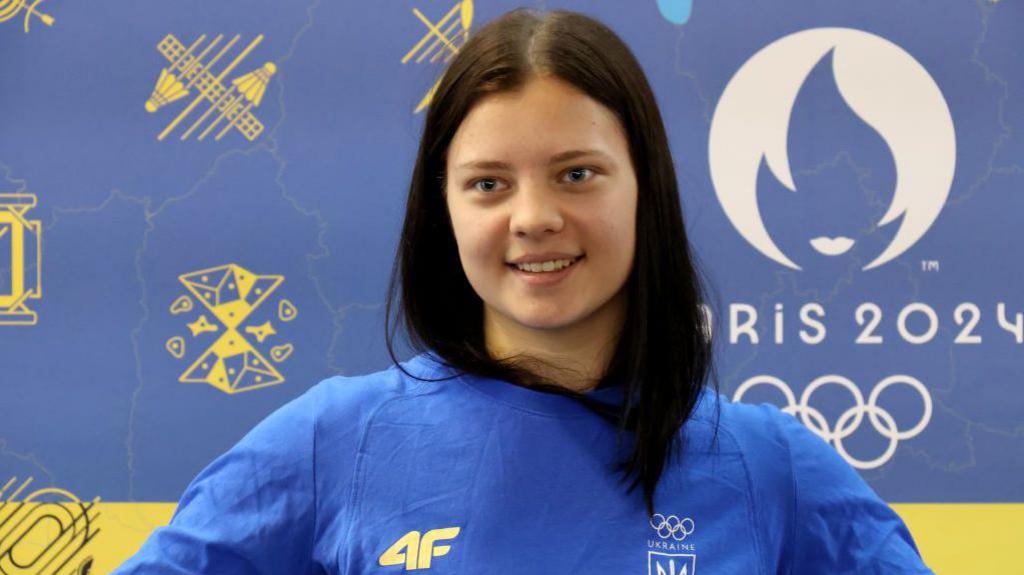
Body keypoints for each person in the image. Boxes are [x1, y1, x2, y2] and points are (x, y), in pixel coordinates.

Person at [112, 8, 934, 574]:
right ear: (443, 208)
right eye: (488, 184)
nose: (534, 217)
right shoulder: (336, 439)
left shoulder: (766, 463)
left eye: (577, 174)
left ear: (644, 187)